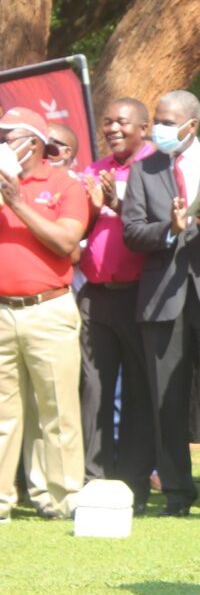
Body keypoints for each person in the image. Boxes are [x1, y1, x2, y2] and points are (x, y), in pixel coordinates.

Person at [122, 90, 200, 517]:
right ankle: (177, 493)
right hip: (163, 298)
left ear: (190, 125)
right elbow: (132, 231)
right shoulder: (145, 169)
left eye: (165, 120)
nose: (158, 127)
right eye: (156, 119)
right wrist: (169, 229)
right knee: (166, 398)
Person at [0, 107, 89, 521]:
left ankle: (61, 497)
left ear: (33, 143)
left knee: (57, 410)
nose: (2, 141)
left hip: (48, 308)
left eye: (9, 135)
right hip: (2, 312)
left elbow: (65, 240)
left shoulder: (64, 184)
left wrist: (16, 201)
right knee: (4, 415)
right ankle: (2, 500)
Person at [79, 98, 156, 511]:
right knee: (94, 388)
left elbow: (157, 228)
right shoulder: (94, 169)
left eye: (121, 122)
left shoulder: (156, 168)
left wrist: (120, 204)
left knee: (140, 392)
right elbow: (80, 227)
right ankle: (95, 478)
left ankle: (133, 484)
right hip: (95, 295)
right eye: (107, 122)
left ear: (143, 127)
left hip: (139, 293)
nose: (112, 128)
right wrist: (93, 210)